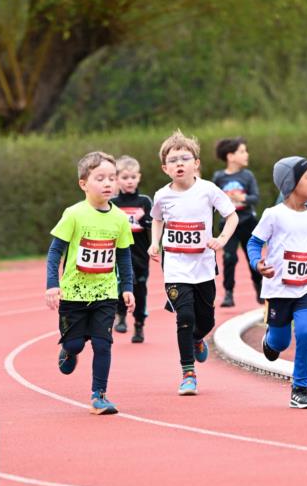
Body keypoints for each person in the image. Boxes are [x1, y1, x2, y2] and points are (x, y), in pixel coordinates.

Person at [246, 155, 307, 409]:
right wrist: (258, 263)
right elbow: (254, 243)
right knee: (280, 342)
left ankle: (300, 389)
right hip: (279, 289)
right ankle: (270, 339)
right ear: (291, 183)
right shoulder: (273, 215)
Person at [148, 129, 237, 395]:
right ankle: (188, 372)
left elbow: (231, 216)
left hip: (203, 267)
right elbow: (157, 219)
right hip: (175, 267)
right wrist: (156, 242)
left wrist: (221, 239)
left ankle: (198, 339)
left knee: (206, 322)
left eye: (184, 158)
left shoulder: (208, 190)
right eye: (173, 160)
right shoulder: (162, 195)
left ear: (196, 163)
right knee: (184, 316)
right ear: (165, 168)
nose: (179, 164)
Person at [45, 151, 135, 415]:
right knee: (75, 344)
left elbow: (123, 255)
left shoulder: (119, 218)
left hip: (105, 292)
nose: (108, 183)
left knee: (102, 343)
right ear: (84, 184)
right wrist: (53, 284)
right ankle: (69, 350)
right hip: (73, 293)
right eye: (100, 178)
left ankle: (99, 394)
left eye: (112, 178)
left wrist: (127, 287)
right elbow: (54, 253)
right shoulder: (74, 214)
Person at [212, 138, 261, 307]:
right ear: (230, 156)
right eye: (242, 151)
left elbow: (256, 198)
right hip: (228, 225)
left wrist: (242, 198)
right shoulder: (219, 177)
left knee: (252, 258)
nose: (246, 154)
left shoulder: (247, 176)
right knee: (229, 257)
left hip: (247, 222)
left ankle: (260, 288)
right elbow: (213, 199)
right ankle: (228, 293)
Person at [111, 155, 152, 343]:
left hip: (140, 254)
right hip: (118, 254)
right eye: (125, 177)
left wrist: (143, 219)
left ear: (139, 177)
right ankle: (120, 315)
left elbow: (154, 224)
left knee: (140, 288)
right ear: (117, 179)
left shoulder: (144, 201)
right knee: (119, 284)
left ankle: (139, 325)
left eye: (133, 177)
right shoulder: (113, 203)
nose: (129, 181)